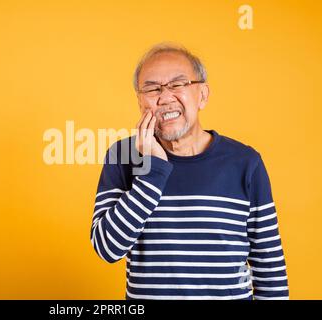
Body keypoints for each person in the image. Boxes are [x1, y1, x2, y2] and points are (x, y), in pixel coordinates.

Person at [90, 43, 289, 300]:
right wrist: (153, 173)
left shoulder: (245, 162)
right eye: (152, 88)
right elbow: (108, 249)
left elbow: (269, 266)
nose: (165, 97)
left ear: (202, 95)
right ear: (140, 102)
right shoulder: (123, 156)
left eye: (178, 84)